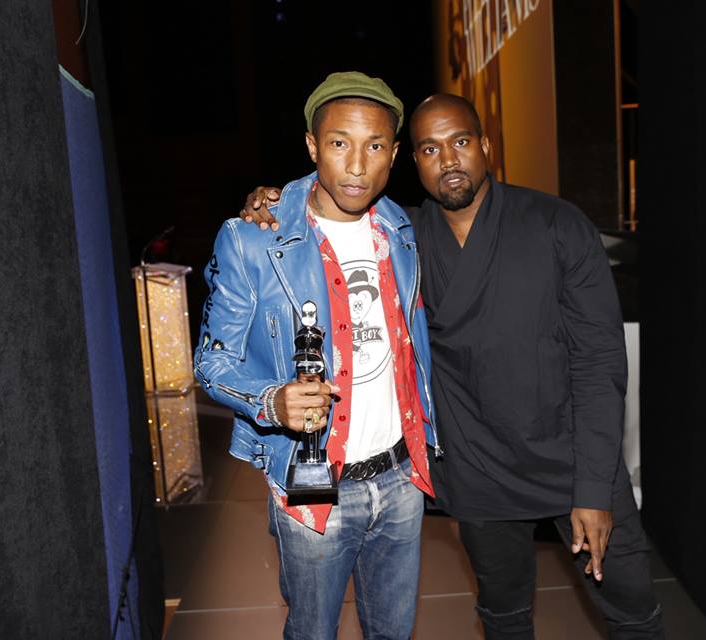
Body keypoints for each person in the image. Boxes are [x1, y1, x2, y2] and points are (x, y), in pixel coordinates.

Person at [239, 93, 664, 639]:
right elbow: (329, 216)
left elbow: (600, 362)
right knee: (504, 617)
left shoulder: (556, 224)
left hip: (575, 458)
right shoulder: (405, 238)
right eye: (430, 149)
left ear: (485, 145)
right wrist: (275, 199)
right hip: (481, 468)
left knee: (632, 610)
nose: (448, 160)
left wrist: (594, 489)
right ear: (411, 161)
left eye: (460, 142)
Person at [195, 72, 439, 640]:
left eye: (374, 146)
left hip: (402, 478)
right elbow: (211, 360)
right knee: (311, 632)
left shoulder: (400, 228)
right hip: (313, 486)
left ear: (393, 154)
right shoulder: (253, 238)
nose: (356, 165)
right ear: (311, 145)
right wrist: (270, 399)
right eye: (338, 143)